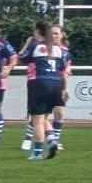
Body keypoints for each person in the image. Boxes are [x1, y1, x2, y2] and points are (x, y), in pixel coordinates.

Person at [18, 22, 71, 160]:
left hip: (39, 83)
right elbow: (62, 70)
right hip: (56, 84)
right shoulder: (59, 50)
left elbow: (21, 58)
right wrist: (64, 88)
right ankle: (52, 140)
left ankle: (37, 153)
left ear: (38, 32)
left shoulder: (35, 46)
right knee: (45, 117)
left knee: (37, 120)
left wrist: (27, 43)